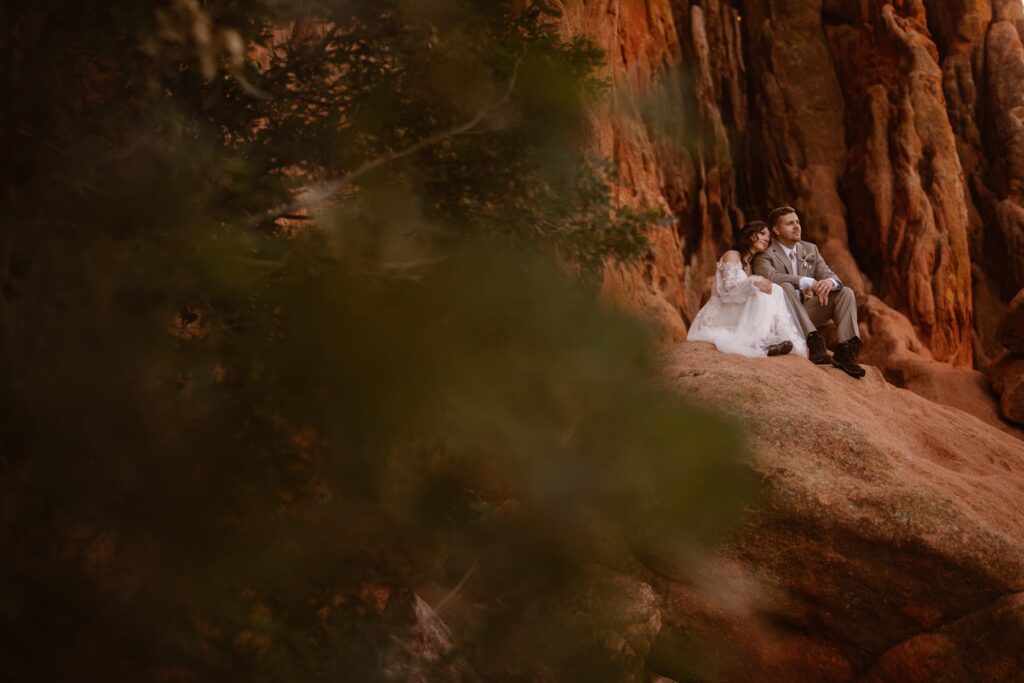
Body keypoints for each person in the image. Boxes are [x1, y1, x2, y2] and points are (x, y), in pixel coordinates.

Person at [752, 206, 865, 378]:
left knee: (845, 292)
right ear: (776, 230)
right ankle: (814, 343)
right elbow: (769, 276)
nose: (797, 226)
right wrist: (806, 282)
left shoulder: (809, 249)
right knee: (785, 286)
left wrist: (828, 282)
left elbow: (832, 276)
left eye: (797, 222)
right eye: (790, 224)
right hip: (779, 317)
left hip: (805, 313)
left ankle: (846, 351)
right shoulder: (765, 253)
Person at [687, 221, 807, 358]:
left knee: (775, 290)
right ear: (749, 235)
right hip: (722, 309)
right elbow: (728, 290)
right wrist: (754, 283)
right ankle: (759, 342)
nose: (766, 239)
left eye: (768, 236)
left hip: (738, 309)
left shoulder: (750, 265)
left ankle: (769, 337)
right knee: (760, 294)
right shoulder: (732, 255)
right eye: (762, 234)